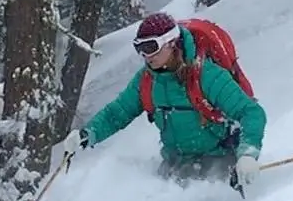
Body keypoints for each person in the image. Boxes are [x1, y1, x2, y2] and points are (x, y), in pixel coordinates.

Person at [66, 12, 266, 190]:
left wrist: (248, 154)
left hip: (221, 166)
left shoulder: (206, 75)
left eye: (150, 47)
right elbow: (118, 112)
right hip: (176, 167)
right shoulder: (147, 80)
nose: (145, 55)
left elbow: (251, 112)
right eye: (139, 48)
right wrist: (87, 134)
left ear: (171, 43)